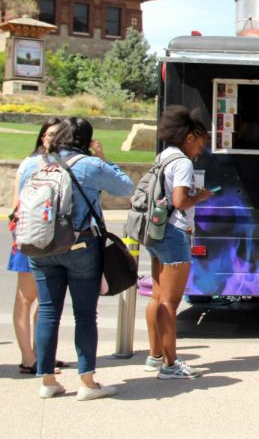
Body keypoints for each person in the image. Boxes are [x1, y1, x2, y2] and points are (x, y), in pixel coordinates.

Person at [22, 117, 133, 400]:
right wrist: (104, 158)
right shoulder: (90, 165)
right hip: (80, 244)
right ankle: (87, 381)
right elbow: (125, 187)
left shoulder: (35, 164)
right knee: (84, 314)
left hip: (41, 245)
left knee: (48, 311)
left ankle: (46, 380)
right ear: (86, 139)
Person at [143, 106, 214, 379]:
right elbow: (180, 201)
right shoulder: (183, 162)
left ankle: (155, 355)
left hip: (156, 232)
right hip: (175, 232)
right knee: (170, 303)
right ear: (189, 137)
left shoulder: (163, 156)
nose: (201, 148)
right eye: (200, 142)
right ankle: (170, 365)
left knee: (157, 296)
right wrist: (201, 196)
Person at [8, 117, 66, 375]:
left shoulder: (63, 163)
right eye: (50, 134)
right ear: (42, 137)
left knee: (46, 300)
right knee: (26, 297)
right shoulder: (31, 164)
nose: (54, 138)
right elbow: (16, 205)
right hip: (31, 235)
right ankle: (28, 357)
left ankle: (41, 352)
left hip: (52, 238)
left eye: (60, 134)